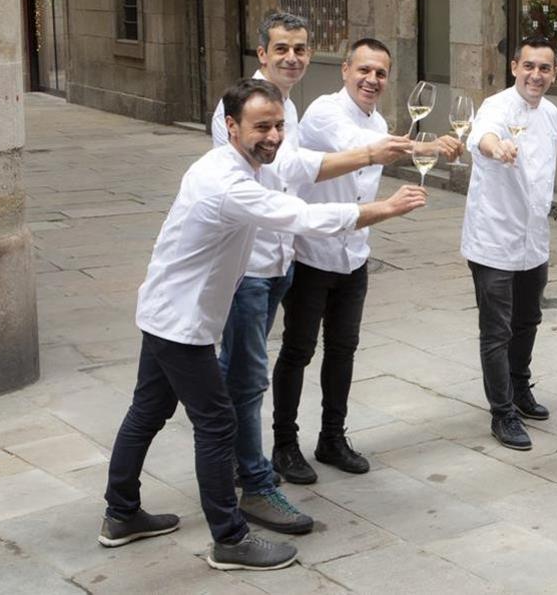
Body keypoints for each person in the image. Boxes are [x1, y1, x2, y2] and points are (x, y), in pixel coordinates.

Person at [100, 79, 428, 570]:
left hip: (169, 312)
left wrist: (369, 154)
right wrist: (384, 207)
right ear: (230, 127)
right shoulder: (226, 182)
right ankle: (229, 540)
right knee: (216, 423)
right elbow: (298, 215)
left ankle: (121, 514)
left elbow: (306, 165)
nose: (273, 136)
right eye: (261, 127)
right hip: (180, 322)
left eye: (278, 125)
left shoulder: (253, 163)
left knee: (148, 411)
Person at [209, 13, 414, 533]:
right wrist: (376, 193)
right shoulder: (251, 110)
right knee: (253, 370)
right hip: (265, 259)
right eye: (282, 49)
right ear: (262, 53)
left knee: (317, 353)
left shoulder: (290, 109)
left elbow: (298, 171)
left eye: (300, 49)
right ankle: (258, 465)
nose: (292, 58)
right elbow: (284, 179)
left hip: (289, 255)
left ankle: (316, 442)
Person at [270, 38, 462, 483]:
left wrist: (418, 148)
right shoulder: (324, 112)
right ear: (345, 70)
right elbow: (366, 148)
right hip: (312, 252)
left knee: (343, 350)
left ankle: (332, 437)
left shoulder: (379, 121)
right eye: (364, 70)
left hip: (354, 256)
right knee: (298, 351)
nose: (372, 80)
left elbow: (381, 144)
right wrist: (428, 148)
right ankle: (284, 444)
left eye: (380, 73)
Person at [461, 36, 557, 451]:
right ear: (515, 67)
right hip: (494, 238)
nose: (536, 75)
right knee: (497, 329)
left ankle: (520, 389)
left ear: (553, 73)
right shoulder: (496, 106)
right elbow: (480, 135)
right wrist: (495, 146)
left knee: (528, 320)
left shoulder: (553, 113)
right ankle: (501, 413)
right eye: (529, 66)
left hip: (533, 237)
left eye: (545, 68)